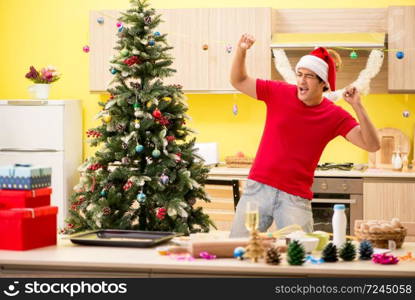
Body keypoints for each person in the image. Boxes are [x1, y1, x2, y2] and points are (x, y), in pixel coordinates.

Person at [229, 34, 380, 237]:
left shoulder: (334, 115)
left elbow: (372, 145)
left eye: (309, 76)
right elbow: (238, 80)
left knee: (301, 257)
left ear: (323, 84)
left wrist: (357, 106)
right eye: (299, 74)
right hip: (258, 188)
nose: (301, 80)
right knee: (239, 249)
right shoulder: (279, 92)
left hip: (295, 198)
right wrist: (241, 50)